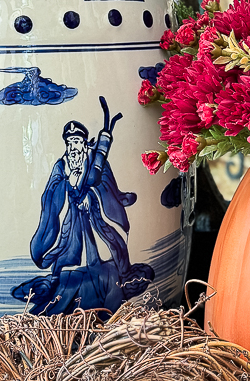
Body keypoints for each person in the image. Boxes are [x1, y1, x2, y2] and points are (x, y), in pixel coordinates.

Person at [13, 96, 154, 314]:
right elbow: (51, 192)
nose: (73, 147)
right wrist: (67, 186)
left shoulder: (94, 160)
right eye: (70, 143)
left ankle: (114, 285)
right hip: (73, 217)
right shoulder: (62, 165)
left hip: (94, 215)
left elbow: (106, 183)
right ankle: (66, 295)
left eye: (77, 142)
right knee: (68, 252)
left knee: (110, 246)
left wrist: (93, 195)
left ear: (84, 142)